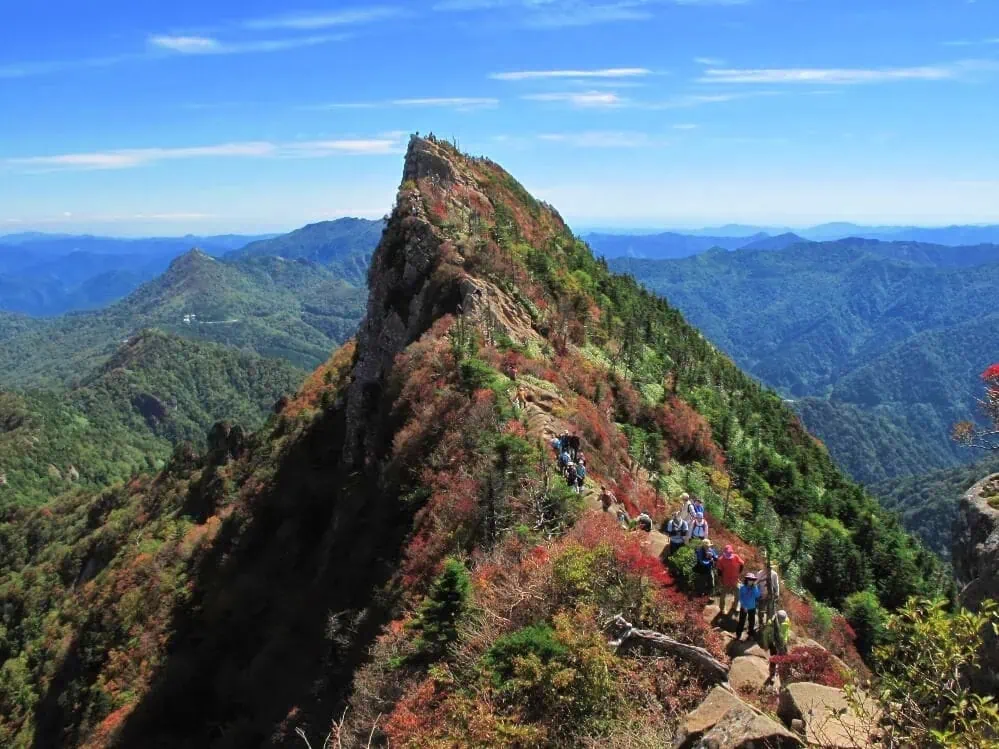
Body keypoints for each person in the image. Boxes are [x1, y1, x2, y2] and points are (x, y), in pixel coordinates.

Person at [762, 609, 792, 683]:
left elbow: (787, 630)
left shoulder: (787, 620)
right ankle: (772, 675)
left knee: (785, 658)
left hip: (782, 642)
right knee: (774, 660)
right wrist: (766, 645)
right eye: (781, 620)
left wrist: (786, 639)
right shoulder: (771, 623)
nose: (782, 621)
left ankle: (786, 674)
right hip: (773, 642)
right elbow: (765, 634)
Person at [716, 544, 745, 614]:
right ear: (724, 552)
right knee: (723, 596)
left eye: (730, 552)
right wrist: (720, 580)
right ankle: (722, 608)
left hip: (735, 580)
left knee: (738, 595)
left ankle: (735, 606)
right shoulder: (721, 559)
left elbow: (742, 564)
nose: (729, 554)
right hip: (725, 580)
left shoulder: (736, 557)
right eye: (727, 552)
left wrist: (738, 573)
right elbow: (719, 571)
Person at [735, 573, 762, 640]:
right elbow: (741, 598)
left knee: (751, 621)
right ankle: (738, 635)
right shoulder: (742, 587)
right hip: (744, 607)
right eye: (749, 579)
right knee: (741, 621)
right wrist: (744, 606)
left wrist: (755, 587)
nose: (751, 581)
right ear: (746, 580)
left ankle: (750, 635)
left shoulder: (754, 587)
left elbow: (758, 595)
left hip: (752, 607)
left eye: (752, 580)